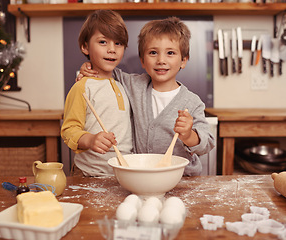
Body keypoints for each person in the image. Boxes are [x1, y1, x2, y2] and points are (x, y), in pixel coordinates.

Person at [79, 17, 215, 176]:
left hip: (182, 179)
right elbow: (106, 70)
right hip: (142, 178)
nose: (161, 60)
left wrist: (189, 135)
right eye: (153, 53)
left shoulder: (192, 102)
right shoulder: (133, 85)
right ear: (142, 60)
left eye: (170, 53)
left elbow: (207, 142)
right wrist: (88, 66)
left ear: (183, 60)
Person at [61, 10, 133, 177]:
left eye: (119, 43)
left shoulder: (123, 85)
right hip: (89, 174)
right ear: (85, 47)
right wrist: (91, 140)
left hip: (121, 173)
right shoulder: (82, 87)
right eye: (103, 42)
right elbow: (69, 130)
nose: (112, 49)